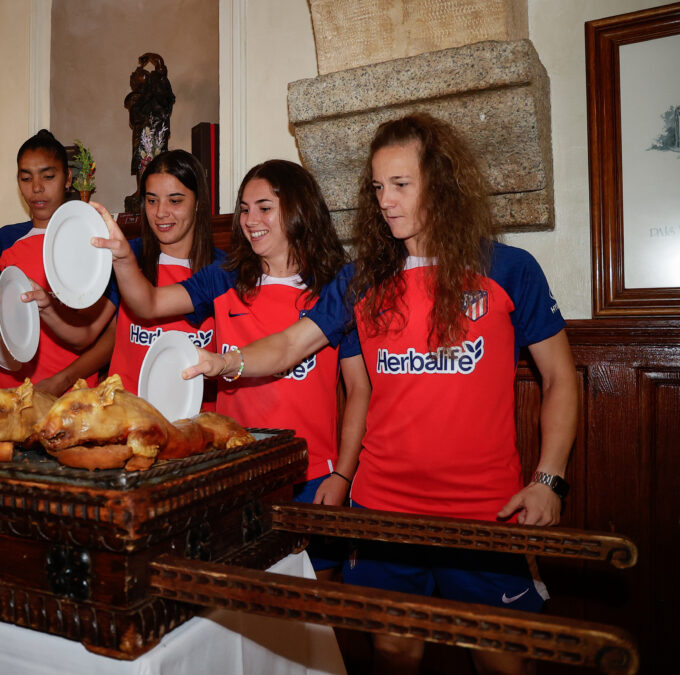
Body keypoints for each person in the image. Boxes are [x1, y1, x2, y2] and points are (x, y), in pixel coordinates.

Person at [186, 114, 578, 674]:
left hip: (485, 513)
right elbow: (292, 344)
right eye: (377, 187)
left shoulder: (510, 269)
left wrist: (548, 479)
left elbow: (561, 378)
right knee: (393, 651)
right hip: (383, 511)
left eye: (401, 185)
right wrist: (226, 361)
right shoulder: (361, 279)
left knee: (505, 660)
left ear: (439, 185)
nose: (386, 201)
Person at [92, 160, 370, 576]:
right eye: (243, 209)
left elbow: (358, 389)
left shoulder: (334, 288)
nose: (250, 221)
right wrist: (121, 257)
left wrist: (344, 475)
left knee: (316, 613)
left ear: (299, 210)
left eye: (263, 208)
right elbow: (147, 303)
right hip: (235, 473)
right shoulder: (224, 277)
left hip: (313, 475)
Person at [25, 149, 224, 398]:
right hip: (123, 413)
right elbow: (84, 335)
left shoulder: (222, 270)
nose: (161, 212)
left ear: (197, 203)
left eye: (175, 201)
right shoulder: (127, 255)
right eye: (152, 200)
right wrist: (47, 308)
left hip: (194, 419)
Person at [0, 129, 114, 395]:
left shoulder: (96, 241)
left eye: (48, 176)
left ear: (68, 179)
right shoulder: (4, 240)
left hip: (71, 392)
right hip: (8, 389)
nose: (36, 188)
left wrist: (63, 380)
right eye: (26, 178)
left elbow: (109, 337)